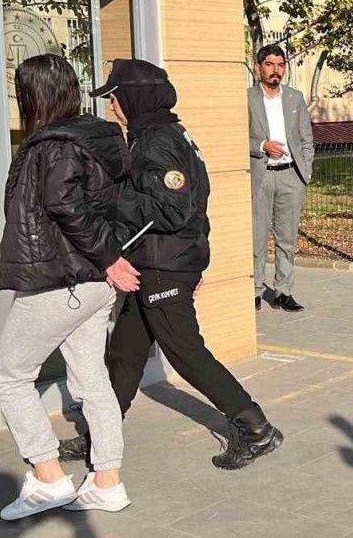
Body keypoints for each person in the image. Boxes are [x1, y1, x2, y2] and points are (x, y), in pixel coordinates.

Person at [59, 59, 284, 470]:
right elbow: (192, 201)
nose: (111, 105)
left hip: (163, 264)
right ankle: (99, 436)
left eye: (114, 97)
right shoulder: (165, 133)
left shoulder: (156, 141)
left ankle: (255, 428)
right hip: (156, 261)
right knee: (125, 354)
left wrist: (109, 197)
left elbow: (172, 209)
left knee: (185, 352)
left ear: (135, 97)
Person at [0, 54, 137, 518]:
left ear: (32, 95)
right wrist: (108, 260)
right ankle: (107, 482)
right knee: (91, 378)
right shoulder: (97, 137)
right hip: (92, 283)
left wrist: (109, 257)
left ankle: (49, 477)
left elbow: (66, 207)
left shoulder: (53, 145)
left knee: (10, 377)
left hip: (60, 282)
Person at [249, 44, 314, 312]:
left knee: (287, 238)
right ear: (259, 68)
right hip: (261, 176)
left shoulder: (295, 98)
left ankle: (283, 292)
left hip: (291, 176)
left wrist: (305, 172)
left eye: (280, 65)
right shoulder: (247, 98)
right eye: (269, 64)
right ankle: (254, 291)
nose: (275, 70)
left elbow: (306, 137)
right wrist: (261, 145)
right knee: (257, 237)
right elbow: (236, 137)